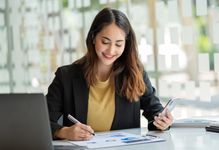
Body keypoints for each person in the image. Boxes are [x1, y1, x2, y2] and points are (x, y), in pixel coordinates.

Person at [46, 7, 173, 141]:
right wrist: (65, 132)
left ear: (126, 44)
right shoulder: (65, 76)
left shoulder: (136, 73)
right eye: (105, 42)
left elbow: (154, 111)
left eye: (118, 44)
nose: (111, 50)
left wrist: (164, 122)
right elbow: (42, 121)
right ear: (93, 37)